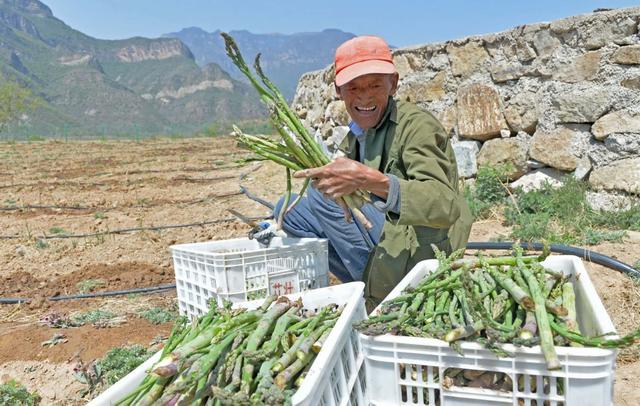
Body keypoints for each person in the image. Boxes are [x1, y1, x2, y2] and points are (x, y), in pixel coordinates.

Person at [274, 35, 472, 310]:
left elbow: (444, 205)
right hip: (385, 231)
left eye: (375, 85)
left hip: (422, 243)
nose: (365, 97)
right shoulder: (358, 134)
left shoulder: (416, 127)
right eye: (353, 87)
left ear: (394, 84)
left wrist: (368, 180)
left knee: (321, 199)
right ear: (339, 91)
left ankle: (379, 296)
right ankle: (367, 280)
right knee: (287, 209)